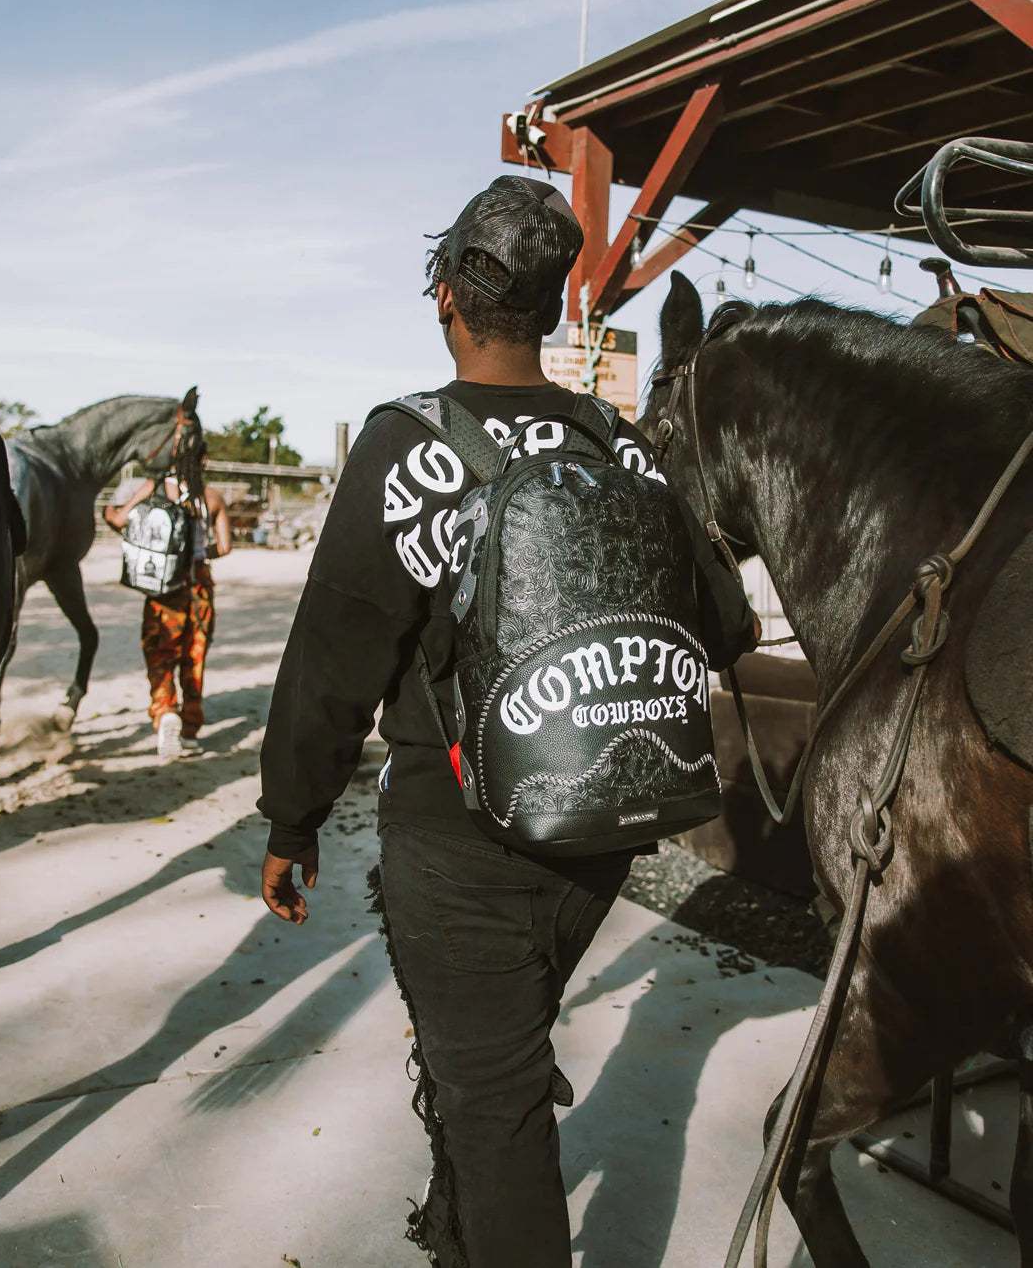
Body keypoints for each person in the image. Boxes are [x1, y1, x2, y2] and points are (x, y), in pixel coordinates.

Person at [257, 175, 759, 1268]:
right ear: (552, 307)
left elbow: (333, 665)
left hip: (457, 839)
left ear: (445, 295)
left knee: (498, 1109)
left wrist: (289, 822)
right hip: (601, 830)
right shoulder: (617, 444)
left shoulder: (402, 448)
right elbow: (725, 628)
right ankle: (457, 1238)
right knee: (489, 1058)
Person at [104, 449, 231, 760]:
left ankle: (164, 711)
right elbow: (225, 547)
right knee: (195, 654)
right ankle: (190, 728)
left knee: (160, 651)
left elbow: (120, 520)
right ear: (203, 462)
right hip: (199, 586)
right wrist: (199, 554)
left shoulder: (153, 488)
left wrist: (108, 511)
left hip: (164, 585)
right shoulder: (211, 498)